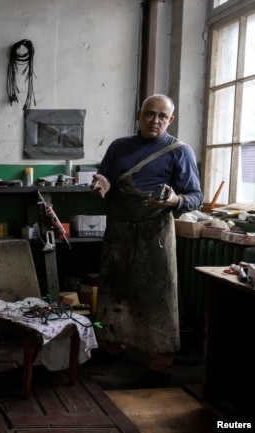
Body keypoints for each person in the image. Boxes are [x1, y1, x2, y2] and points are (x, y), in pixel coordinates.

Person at [90, 94, 203, 389]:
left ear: (170, 120)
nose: (155, 121)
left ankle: (160, 366)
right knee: (115, 292)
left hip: (156, 237)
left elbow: (195, 197)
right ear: (139, 115)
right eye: (149, 114)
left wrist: (175, 199)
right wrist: (101, 182)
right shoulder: (119, 146)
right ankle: (113, 349)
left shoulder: (180, 151)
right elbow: (105, 175)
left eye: (161, 117)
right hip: (119, 233)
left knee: (158, 299)